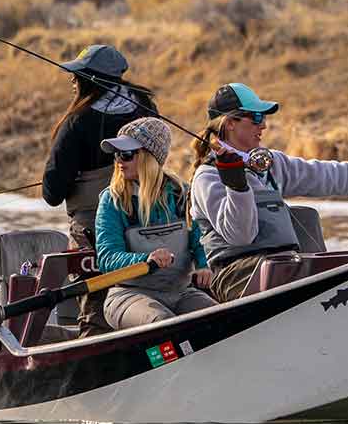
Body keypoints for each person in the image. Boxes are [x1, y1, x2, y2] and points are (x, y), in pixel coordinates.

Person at [191, 82, 348, 303]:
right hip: (236, 276)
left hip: (283, 270)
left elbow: (335, 176)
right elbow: (241, 236)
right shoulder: (207, 177)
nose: (264, 125)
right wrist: (237, 187)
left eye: (264, 118)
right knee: (296, 273)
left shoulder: (271, 164)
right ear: (230, 123)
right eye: (256, 117)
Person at [41, 43, 157, 333]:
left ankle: (93, 340)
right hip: (150, 222)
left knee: (97, 310)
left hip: (94, 230)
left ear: (89, 81)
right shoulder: (147, 108)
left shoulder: (77, 122)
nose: (72, 80)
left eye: (77, 75)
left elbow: (52, 193)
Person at [92, 117, 216, 329]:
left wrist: (204, 266)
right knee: (162, 322)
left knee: (219, 318)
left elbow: (200, 240)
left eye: (127, 154)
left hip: (181, 292)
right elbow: (107, 259)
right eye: (117, 155)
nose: (119, 161)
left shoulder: (181, 193)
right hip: (128, 295)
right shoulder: (112, 200)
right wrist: (145, 259)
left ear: (150, 157)